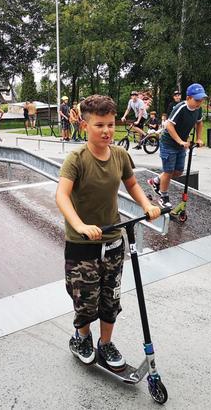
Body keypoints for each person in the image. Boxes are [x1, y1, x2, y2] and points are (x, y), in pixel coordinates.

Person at [56, 94, 161, 370]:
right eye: (99, 125)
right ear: (85, 126)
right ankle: (82, 338)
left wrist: (147, 204)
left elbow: (132, 185)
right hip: (82, 243)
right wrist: (79, 225)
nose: (106, 131)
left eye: (111, 125)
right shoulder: (76, 159)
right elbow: (62, 196)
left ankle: (105, 343)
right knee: (85, 299)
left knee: (110, 297)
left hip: (113, 239)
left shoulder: (120, 155)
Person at [147, 83, 206, 207]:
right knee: (168, 171)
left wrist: (199, 138)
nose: (199, 103)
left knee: (178, 171)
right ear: (189, 98)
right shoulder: (181, 107)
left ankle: (156, 181)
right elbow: (168, 125)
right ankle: (163, 196)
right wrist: (180, 141)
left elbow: (199, 123)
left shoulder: (198, 109)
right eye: (197, 100)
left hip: (181, 144)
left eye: (201, 100)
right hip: (168, 143)